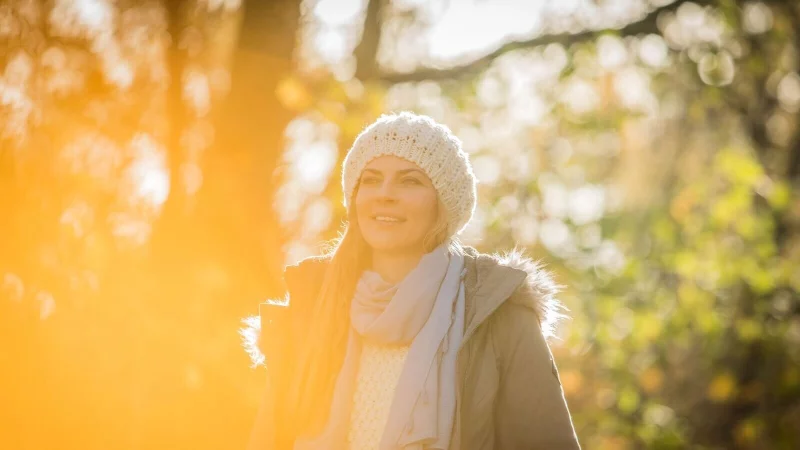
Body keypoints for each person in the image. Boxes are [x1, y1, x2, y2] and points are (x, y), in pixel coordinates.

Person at [241, 111, 581, 450]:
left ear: (443, 203)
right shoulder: (312, 309)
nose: (384, 194)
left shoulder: (497, 317)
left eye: (410, 181)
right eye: (371, 180)